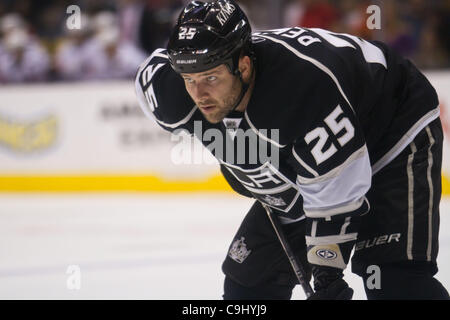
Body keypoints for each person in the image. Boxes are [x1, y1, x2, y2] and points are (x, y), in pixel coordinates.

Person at [135, 0, 449, 299]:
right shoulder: (171, 92)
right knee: (250, 285)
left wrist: (327, 276)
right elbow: (149, 71)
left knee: (391, 278)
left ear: (243, 66)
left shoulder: (300, 90)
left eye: (211, 77)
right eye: (189, 79)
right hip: (315, 154)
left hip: (392, 127)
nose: (199, 94)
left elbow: (335, 196)